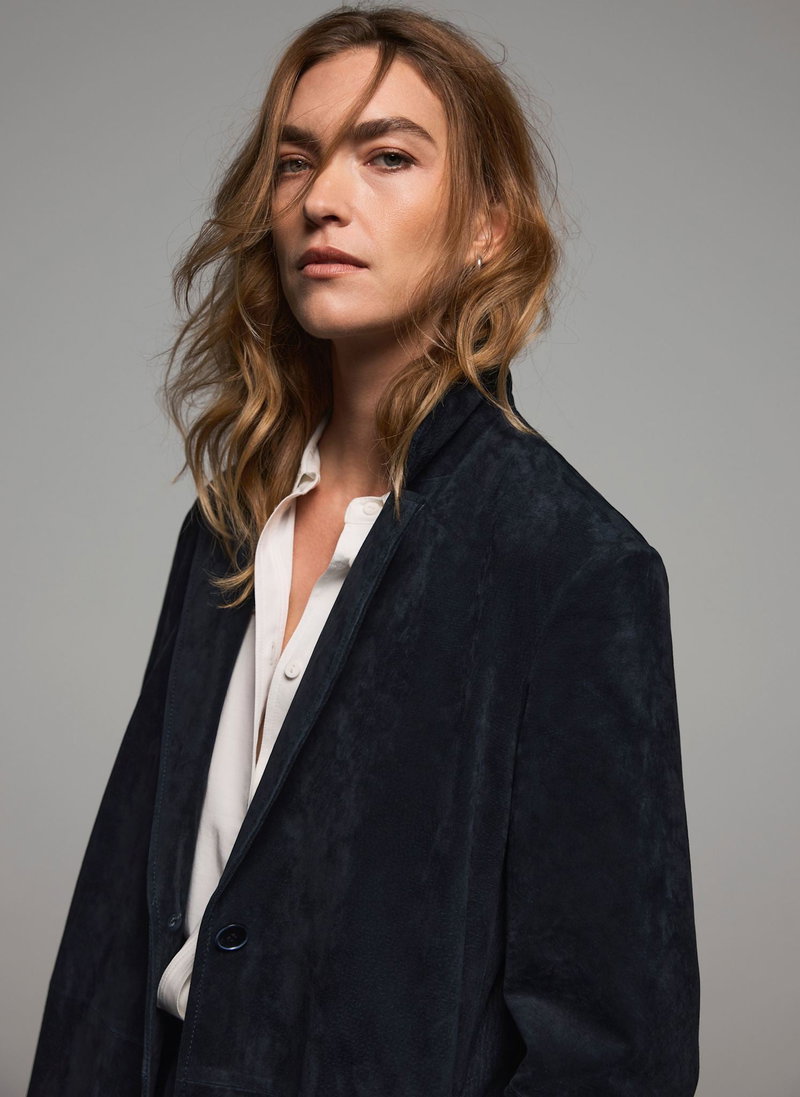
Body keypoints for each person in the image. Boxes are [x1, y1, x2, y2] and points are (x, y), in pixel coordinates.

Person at [27, 6, 701, 1096]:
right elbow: (113, 929)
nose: (321, 200)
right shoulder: (227, 524)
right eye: (296, 161)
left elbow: (613, 1052)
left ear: (487, 227)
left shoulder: (570, 567)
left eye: (387, 156)